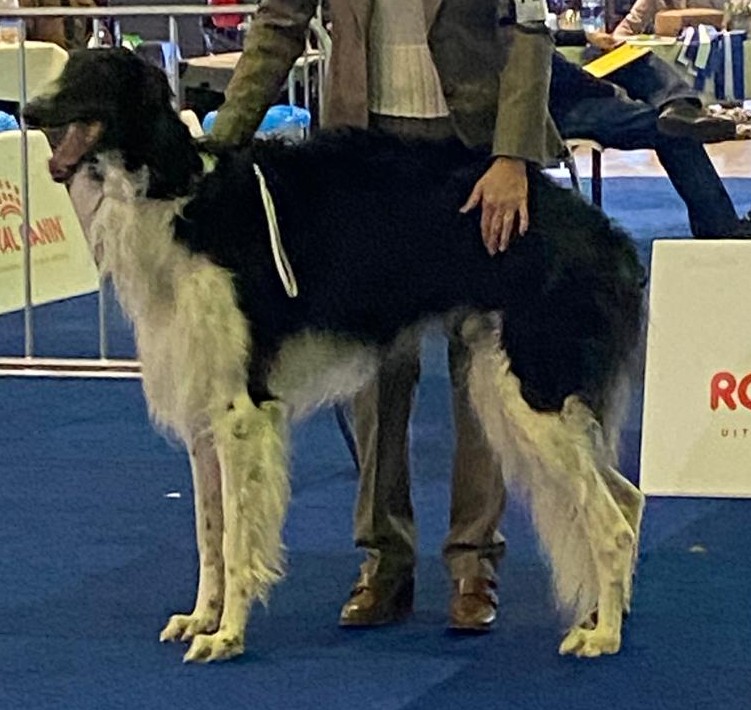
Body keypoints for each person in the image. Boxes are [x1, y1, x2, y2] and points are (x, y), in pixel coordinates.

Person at [211, 0, 563, 632]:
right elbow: (280, 22)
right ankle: (384, 557)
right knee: (371, 369)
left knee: (482, 365)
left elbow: (530, 26)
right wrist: (222, 141)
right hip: (363, 154)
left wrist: (514, 153)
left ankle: (473, 561)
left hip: (475, 147)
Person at [550, 47, 751, 237]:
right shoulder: (532, 36)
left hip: (561, 92)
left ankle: (678, 105)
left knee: (631, 57)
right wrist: (604, 87)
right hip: (558, 110)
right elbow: (557, 73)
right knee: (672, 131)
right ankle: (718, 224)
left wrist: (586, 36)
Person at [611, 0, 724, 36]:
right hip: (670, 69)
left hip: (719, 57)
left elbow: (729, 19)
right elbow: (630, 24)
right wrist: (613, 42)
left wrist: (681, 17)